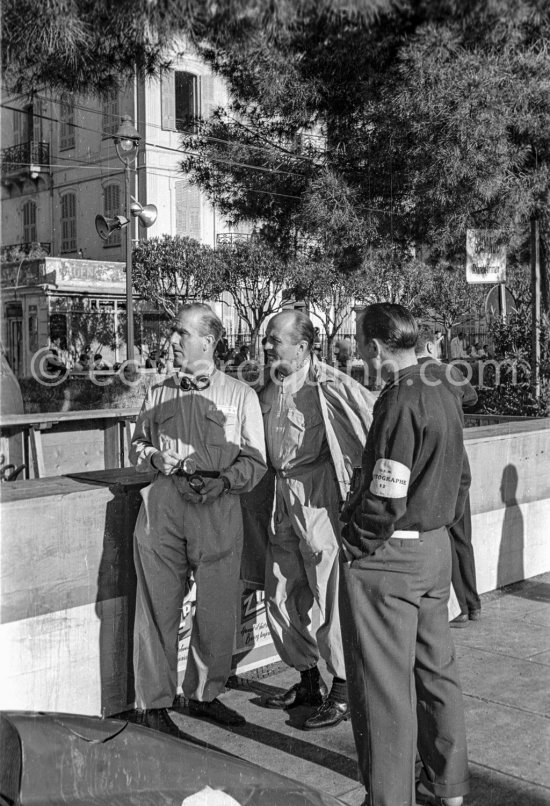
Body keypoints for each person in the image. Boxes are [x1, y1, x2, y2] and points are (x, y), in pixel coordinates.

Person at [340, 303, 469, 806]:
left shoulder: (398, 400)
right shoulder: (443, 386)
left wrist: (354, 542)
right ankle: (448, 786)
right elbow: (458, 478)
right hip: (435, 548)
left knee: (383, 692)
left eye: (358, 343)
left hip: (392, 558)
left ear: (375, 348)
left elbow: (385, 494)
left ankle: (390, 798)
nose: (357, 353)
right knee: (437, 673)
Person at [130, 302, 267, 737]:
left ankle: (204, 695)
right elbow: (137, 444)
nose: (171, 341)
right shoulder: (157, 391)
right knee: (156, 609)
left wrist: (226, 482)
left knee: (217, 611)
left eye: (181, 334)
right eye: (173, 333)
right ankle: (153, 706)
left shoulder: (241, 395)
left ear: (207, 342)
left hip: (218, 506)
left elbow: (256, 461)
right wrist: (153, 454)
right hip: (164, 506)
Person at [259, 310, 375, 730]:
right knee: (280, 591)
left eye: (275, 339)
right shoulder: (269, 384)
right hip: (281, 497)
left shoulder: (330, 383)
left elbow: (373, 420)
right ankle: (308, 679)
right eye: (268, 339)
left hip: (319, 497)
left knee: (329, 595)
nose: (268, 345)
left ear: (303, 346)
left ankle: (343, 690)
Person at [415, 326, 481, 628]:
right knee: (460, 537)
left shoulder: (405, 377)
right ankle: (470, 604)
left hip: (428, 469)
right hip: (457, 464)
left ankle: (456, 607)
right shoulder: (448, 373)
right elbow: (472, 397)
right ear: (430, 344)